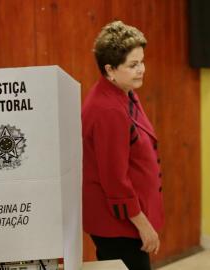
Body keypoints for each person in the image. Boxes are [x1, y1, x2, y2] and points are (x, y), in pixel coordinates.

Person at [82, 21, 164, 270]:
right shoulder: (108, 111)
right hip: (118, 224)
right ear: (110, 70)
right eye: (133, 65)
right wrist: (143, 226)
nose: (142, 70)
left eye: (141, 61)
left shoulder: (123, 90)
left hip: (124, 219)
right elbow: (115, 181)